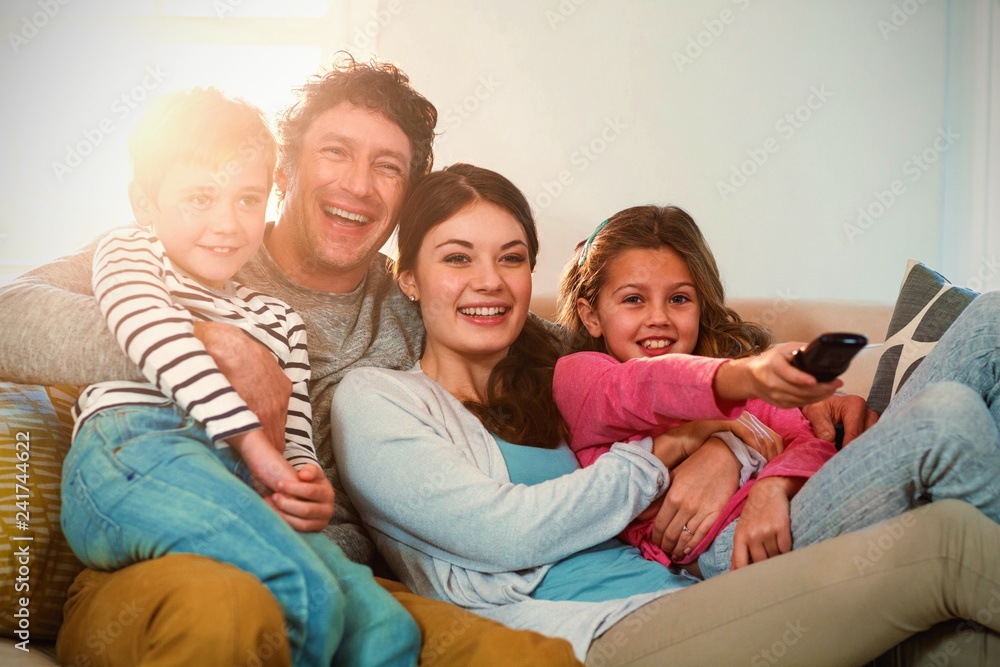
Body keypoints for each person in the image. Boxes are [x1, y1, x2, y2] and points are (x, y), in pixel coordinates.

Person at [0, 57, 579, 666]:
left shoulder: (426, 294)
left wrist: (692, 435)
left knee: (527, 659)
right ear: (284, 169)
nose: (358, 185)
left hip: (332, 572)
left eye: (387, 167)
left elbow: (608, 349)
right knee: (224, 615)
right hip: (162, 560)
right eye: (335, 152)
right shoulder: (190, 245)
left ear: (407, 197)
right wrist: (204, 339)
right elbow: (8, 316)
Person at [330, 163, 1000, 665]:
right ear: (409, 278)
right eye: (456, 257)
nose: (488, 280)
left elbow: (672, 390)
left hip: (695, 586)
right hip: (608, 630)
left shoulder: (559, 361)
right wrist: (665, 451)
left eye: (511, 258)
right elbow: (507, 533)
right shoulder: (375, 399)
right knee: (946, 520)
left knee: (979, 348)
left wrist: (733, 452)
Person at [59, 86, 421, 666]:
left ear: (268, 188)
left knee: (386, 627)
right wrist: (253, 440)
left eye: (246, 200)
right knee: (305, 593)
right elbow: (153, 336)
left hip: (235, 480)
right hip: (134, 456)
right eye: (200, 197)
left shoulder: (279, 319)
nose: (226, 223)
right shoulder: (133, 253)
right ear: (145, 204)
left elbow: (292, 431)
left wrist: (303, 487)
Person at [555, 204, 1000, 580]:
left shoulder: (729, 375)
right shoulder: (584, 377)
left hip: (797, 501)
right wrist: (726, 413)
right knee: (948, 413)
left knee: (991, 316)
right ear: (591, 316)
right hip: (732, 545)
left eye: (679, 299)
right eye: (634, 299)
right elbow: (644, 388)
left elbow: (813, 437)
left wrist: (773, 485)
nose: (659, 318)